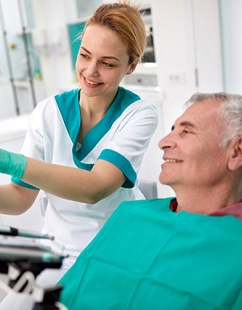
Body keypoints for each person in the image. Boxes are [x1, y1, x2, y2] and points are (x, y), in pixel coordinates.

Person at [0, 1, 158, 307]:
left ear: (131, 65)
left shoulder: (138, 114)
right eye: (84, 56)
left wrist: (9, 160)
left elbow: (96, 187)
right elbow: (19, 198)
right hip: (61, 253)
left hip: (116, 251)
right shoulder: (49, 112)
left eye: (107, 63)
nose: (90, 71)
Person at [57, 92, 242, 309]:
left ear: (236, 152)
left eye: (186, 132)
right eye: (172, 131)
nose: (163, 143)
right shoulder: (130, 215)